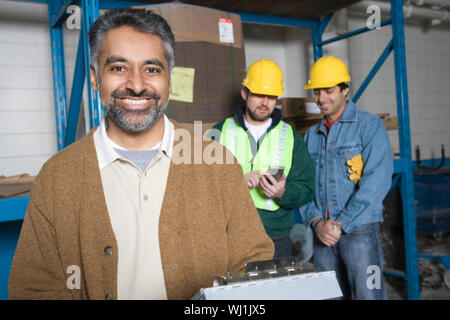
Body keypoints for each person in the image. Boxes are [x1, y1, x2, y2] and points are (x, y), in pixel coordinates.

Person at [8, 8, 274, 300]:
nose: (136, 85)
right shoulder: (58, 176)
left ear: (169, 81)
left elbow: (254, 265)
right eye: (119, 68)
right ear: (95, 78)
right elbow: (32, 288)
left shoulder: (218, 164)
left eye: (152, 69)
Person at [299, 56, 393, 299]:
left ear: (345, 89)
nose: (321, 99)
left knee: (369, 295)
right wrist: (317, 223)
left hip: (359, 233)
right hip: (322, 236)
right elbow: (302, 185)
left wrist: (341, 224)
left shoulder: (369, 127)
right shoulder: (311, 136)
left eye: (329, 91)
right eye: (317, 92)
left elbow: (377, 182)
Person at [209, 59, 315, 259]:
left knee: (274, 291)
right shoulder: (220, 131)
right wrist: (236, 182)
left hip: (276, 237)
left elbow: (306, 189)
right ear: (244, 93)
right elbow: (202, 185)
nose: (265, 103)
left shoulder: (291, 137)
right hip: (230, 235)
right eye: (258, 94)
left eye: (271, 96)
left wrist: (283, 192)